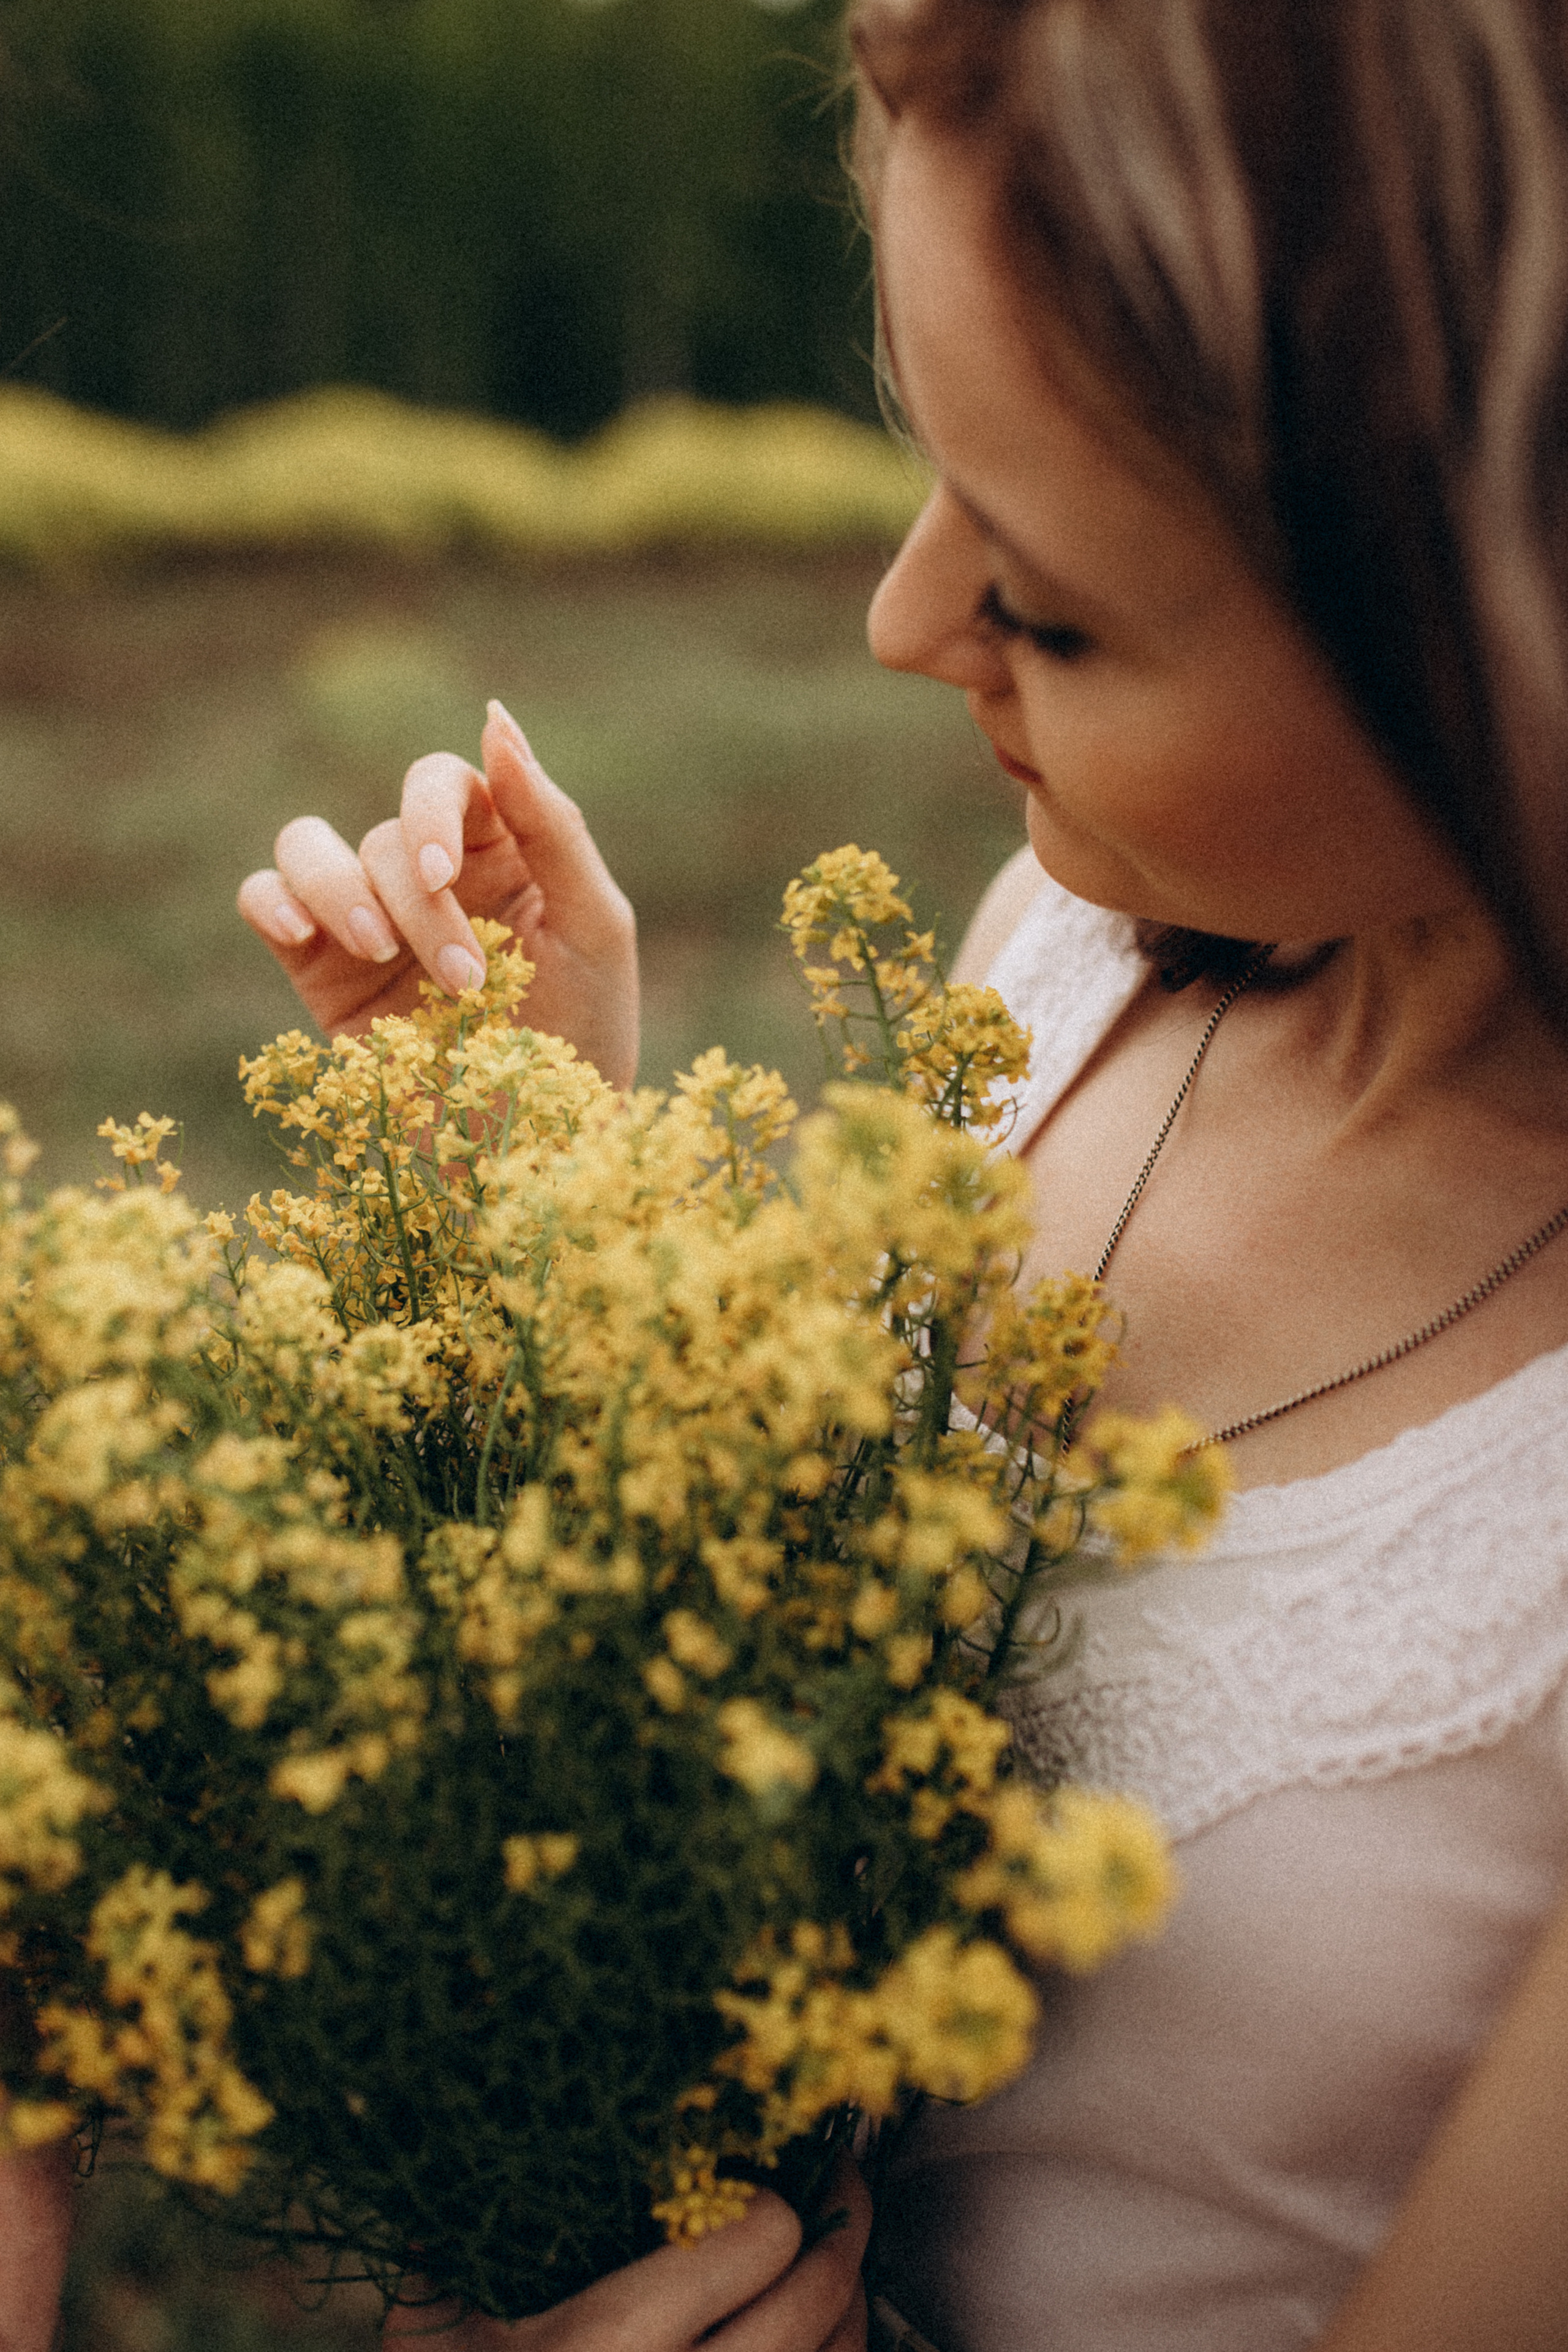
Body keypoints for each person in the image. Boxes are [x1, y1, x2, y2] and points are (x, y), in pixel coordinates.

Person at [17, 0, 1568, 2342]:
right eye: (925, 466)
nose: (898, 624)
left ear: (1494, 628)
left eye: (1046, 601)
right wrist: (556, 1200)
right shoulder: (1066, 958)